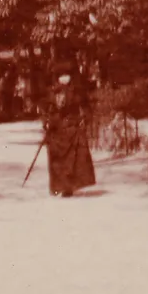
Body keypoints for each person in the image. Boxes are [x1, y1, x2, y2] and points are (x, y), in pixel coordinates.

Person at [45, 67, 98, 197]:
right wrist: (46, 122)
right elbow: (47, 110)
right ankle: (58, 186)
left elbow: (85, 107)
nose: (64, 78)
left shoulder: (77, 91)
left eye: (67, 75)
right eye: (61, 75)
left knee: (75, 159)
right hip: (56, 128)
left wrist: (84, 119)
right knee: (57, 159)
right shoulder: (53, 91)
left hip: (73, 127)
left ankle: (70, 187)